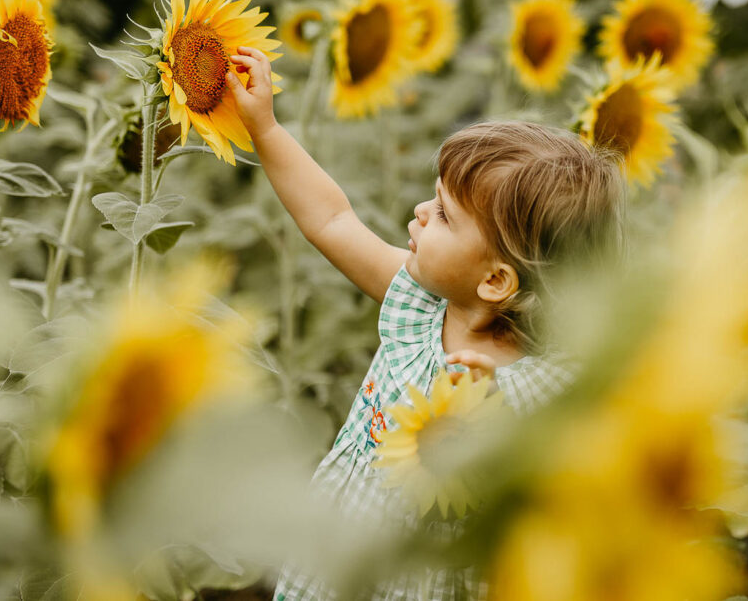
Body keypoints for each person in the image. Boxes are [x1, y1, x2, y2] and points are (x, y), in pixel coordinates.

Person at [225, 47, 625, 600]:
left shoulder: (546, 380)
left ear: (495, 281)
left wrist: (487, 399)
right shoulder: (420, 306)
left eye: (443, 215)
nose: (419, 211)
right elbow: (332, 219)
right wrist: (265, 128)